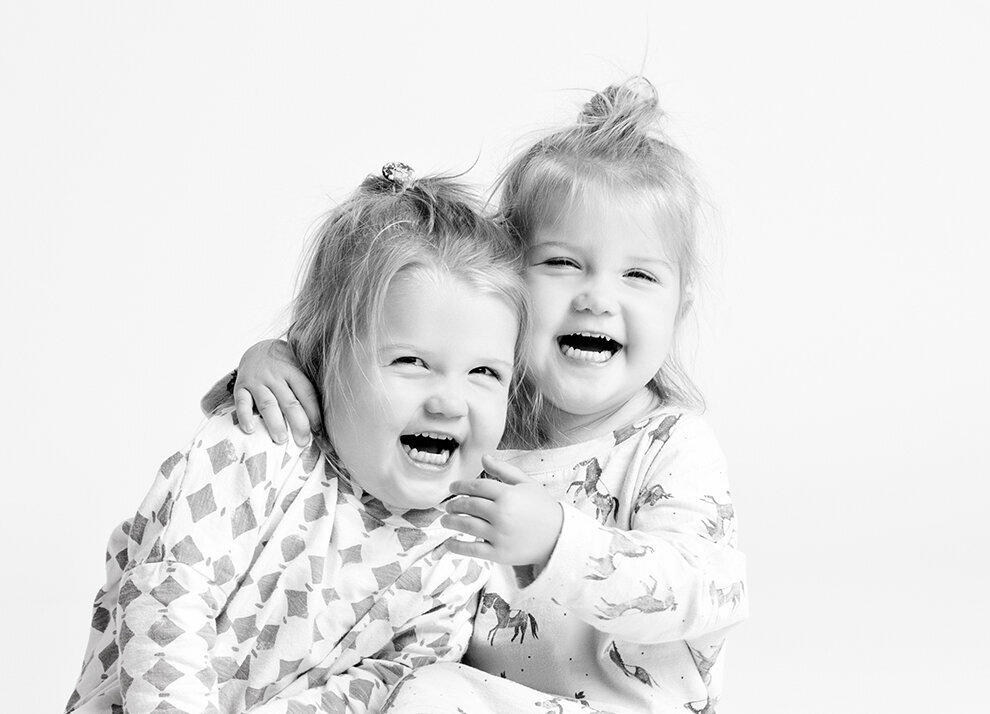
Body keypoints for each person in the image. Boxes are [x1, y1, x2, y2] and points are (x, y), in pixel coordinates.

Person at [210, 78, 747, 713]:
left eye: (638, 275)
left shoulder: (670, 447)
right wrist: (275, 359)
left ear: (679, 306)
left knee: (425, 697)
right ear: (503, 284)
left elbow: (711, 590)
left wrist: (558, 543)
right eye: (561, 263)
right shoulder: (471, 415)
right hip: (466, 693)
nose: (598, 297)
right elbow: (367, 389)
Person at [64, 165, 533, 714]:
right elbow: (169, 596)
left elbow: (382, 685)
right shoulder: (261, 445)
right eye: (411, 362)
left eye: (485, 373)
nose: (450, 401)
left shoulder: (459, 553)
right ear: (322, 357)